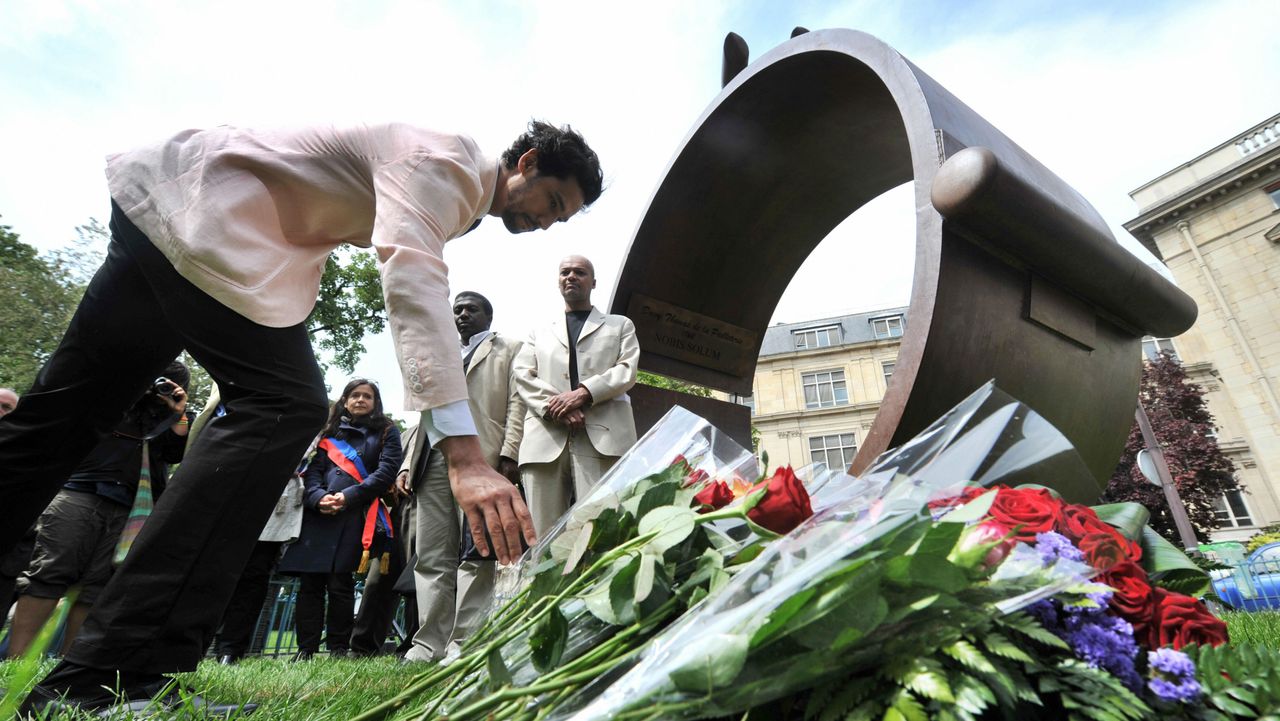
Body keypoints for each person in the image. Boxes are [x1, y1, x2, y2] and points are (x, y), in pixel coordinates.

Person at [1, 119, 602, 716]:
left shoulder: (456, 189)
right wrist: (465, 457)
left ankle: (112, 671)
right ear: (525, 161)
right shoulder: (447, 162)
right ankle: (116, 674)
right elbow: (415, 282)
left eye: (562, 217)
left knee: (59, 416)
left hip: (167, 208)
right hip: (210, 221)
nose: (548, 221)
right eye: (553, 201)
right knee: (285, 404)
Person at [7, 363, 190, 658]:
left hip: (132, 507)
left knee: (97, 588)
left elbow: (174, 454)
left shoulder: (169, 417)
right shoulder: (108, 396)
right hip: (79, 490)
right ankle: (16, 660)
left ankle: (68, 667)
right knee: (49, 572)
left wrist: (176, 411)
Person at [403, 291, 525, 662]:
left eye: (471, 309)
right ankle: (428, 644)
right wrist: (408, 461)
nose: (462, 314)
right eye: (457, 309)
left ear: (488, 315)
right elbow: (422, 410)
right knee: (431, 554)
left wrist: (509, 453)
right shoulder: (438, 353)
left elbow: (519, 400)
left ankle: (464, 642)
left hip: (484, 458)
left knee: (479, 551)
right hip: (432, 460)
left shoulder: (510, 348)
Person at [513, 256, 640, 536]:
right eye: (565, 272)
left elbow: (627, 369)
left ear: (593, 282)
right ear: (558, 281)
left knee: (601, 530)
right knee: (541, 538)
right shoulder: (539, 331)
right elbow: (522, 374)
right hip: (545, 440)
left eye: (580, 272)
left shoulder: (619, 325)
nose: (571, 276)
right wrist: (558, 406)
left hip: (603, 439)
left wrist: (584, 393)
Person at [278, 379, 402, 660]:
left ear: (375, 402)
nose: (361, 400)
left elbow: (385, 473)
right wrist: (318, 498)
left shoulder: (386, 432)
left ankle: (337, 648)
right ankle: (305, 649)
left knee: (340, 584)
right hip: (318, 515)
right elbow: (312, 472)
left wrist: (347, 497)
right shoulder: (329, 434)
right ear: (345, 401)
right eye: (355, 395)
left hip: (355, 513)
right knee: (310, 585)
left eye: (367, 396)